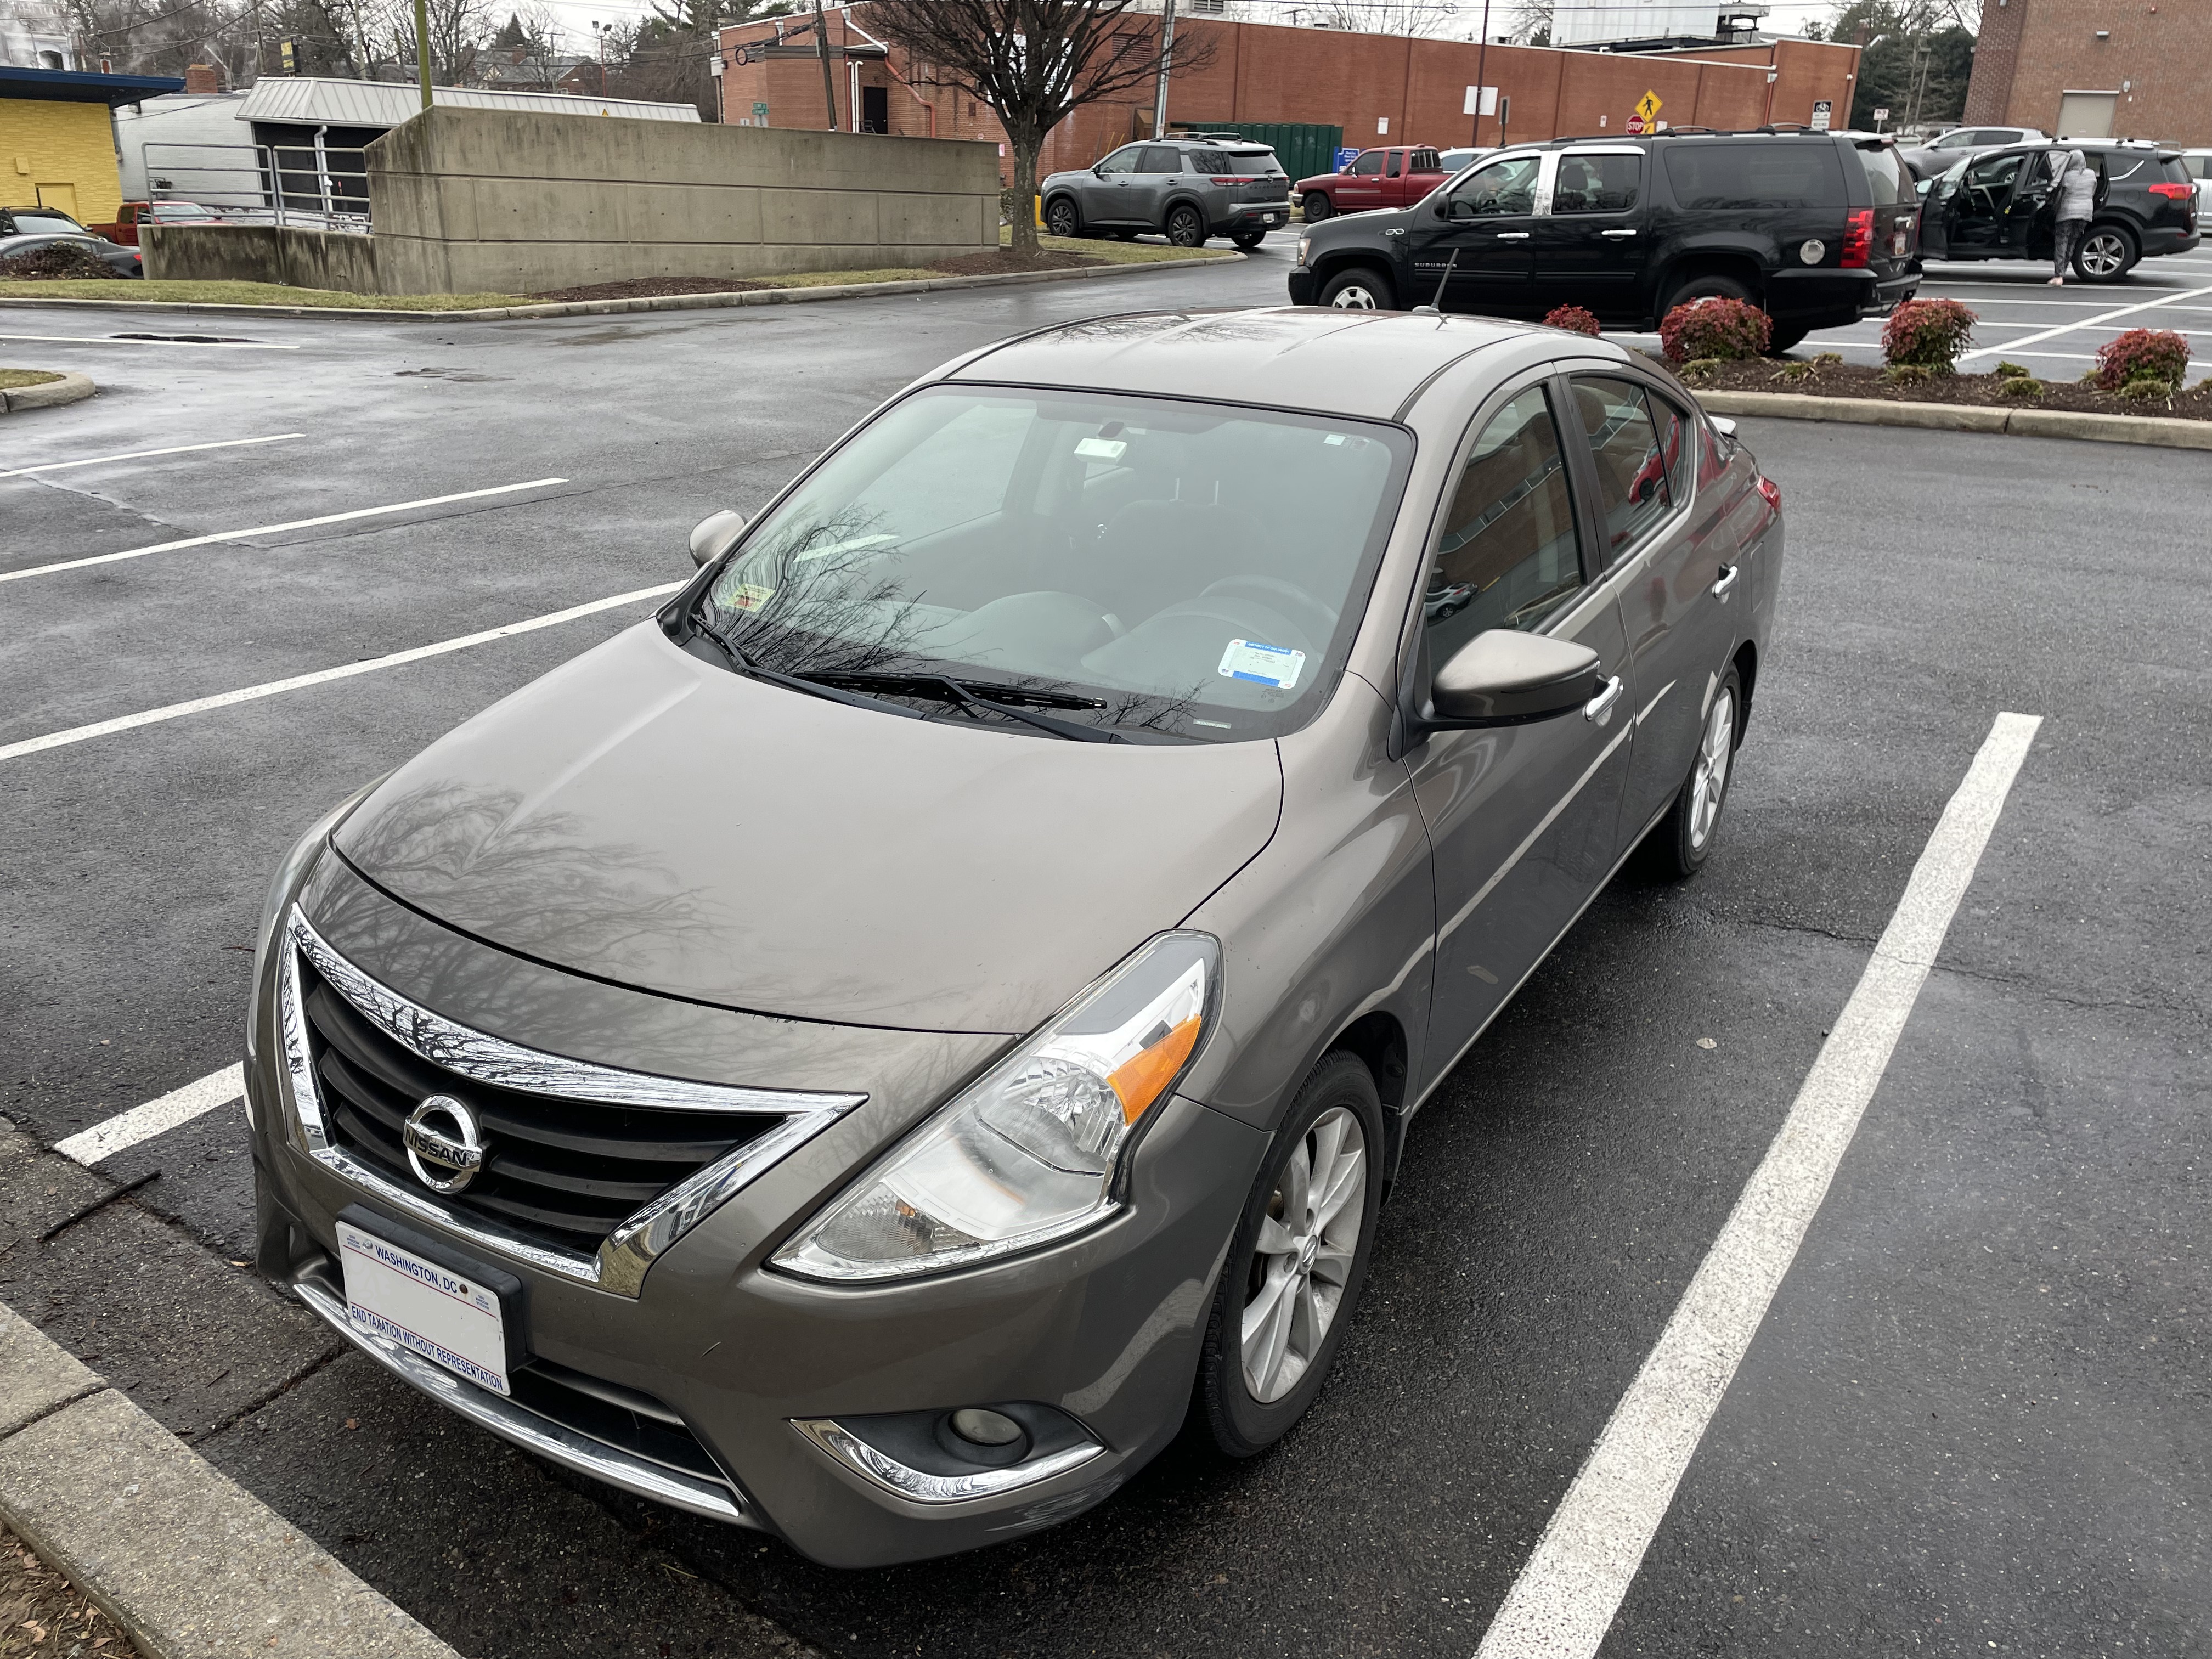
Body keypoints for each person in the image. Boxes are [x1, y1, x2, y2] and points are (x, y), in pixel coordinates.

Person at [2050, 149, 2098, 285]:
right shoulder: (2091, 175)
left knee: (2062, 242)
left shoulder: (2066, 176)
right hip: (2085, 213)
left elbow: (2060, 196)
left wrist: (2054, 210)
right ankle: (2063, 271)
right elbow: (2093, 192)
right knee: (2072, 242)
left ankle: (2058, 275)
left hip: (2067, 213)